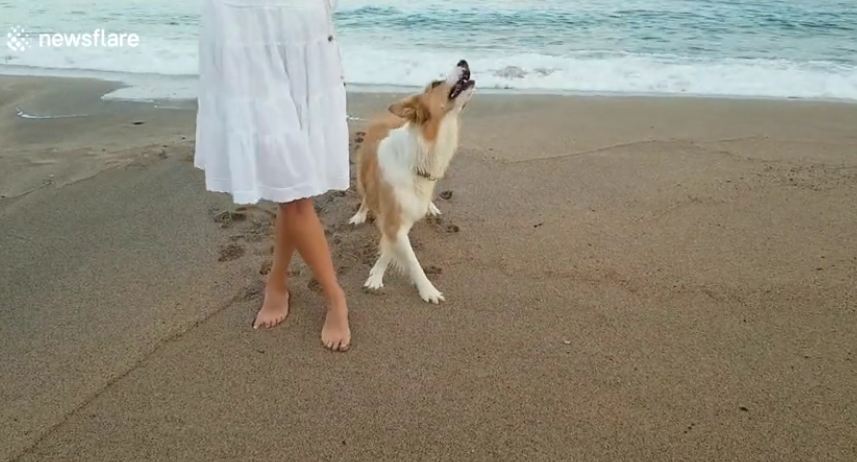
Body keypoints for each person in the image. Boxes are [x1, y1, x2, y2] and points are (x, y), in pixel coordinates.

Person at [194, 0, 351, 351]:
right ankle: (333, 296)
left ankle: (279, 282)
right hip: (244, 32)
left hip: (300, 29)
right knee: (292, 189)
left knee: (293, 190)